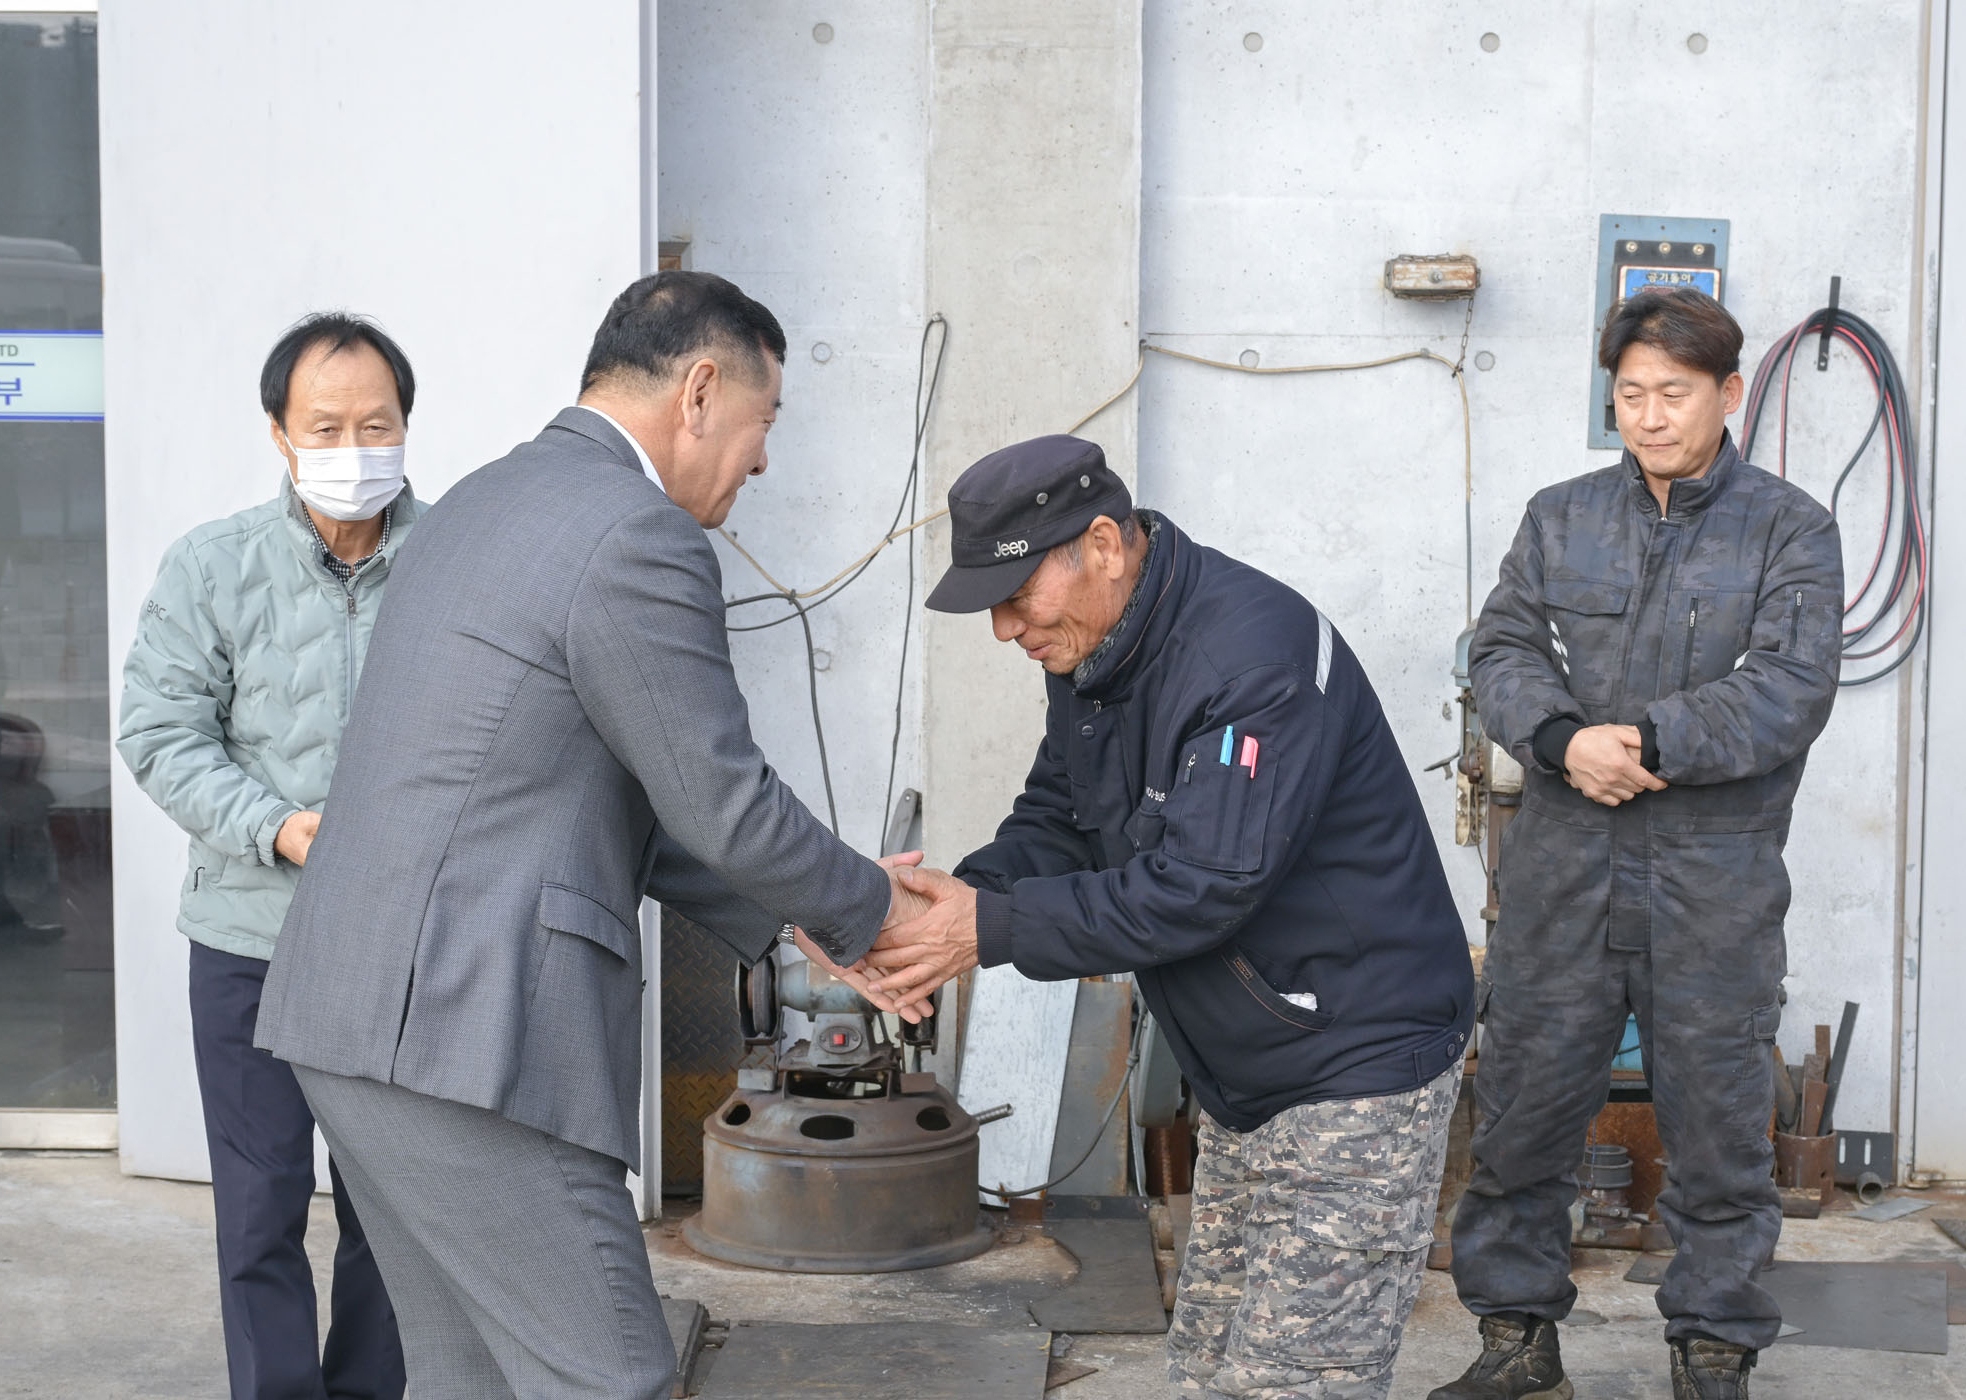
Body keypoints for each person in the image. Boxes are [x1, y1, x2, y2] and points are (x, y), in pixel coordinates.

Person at [253, 270, 931, 1400]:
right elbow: (720, 799)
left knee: (467, 1378)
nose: (763, 460)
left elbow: (589, 788)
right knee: (611, 1376)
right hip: (472, 1035)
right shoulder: (637, 535)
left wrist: (800, 918)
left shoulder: (481, 501)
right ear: (700, 391)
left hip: (354, 1018)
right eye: (765, 420)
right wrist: (879, 913)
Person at [862, 435, 1475, 1400]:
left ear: (1104, 546)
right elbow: (1061, 818)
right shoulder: (1098, 651)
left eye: (1016, 597)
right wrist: (948, 902)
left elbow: (1202, 887)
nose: (1006, 630)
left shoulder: (1251, 664)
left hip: (1354, 1071)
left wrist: (988, 928)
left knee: (1293, 1385)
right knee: (1208, 1374)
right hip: (1252, 1073)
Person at [1432, 288, 1843, 1400]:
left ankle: (1713, 1346)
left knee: (1717, 1129)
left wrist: (1650, 741)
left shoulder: (1790, 529)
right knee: (1523, 1111)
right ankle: (1517, 1342)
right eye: (1630, 394)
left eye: (1674, 392)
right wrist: (1562, 740)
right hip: (1564, 869)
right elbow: (1503, 647)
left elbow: (1789, 687)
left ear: (1728, 393)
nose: (1651, 416)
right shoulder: (1559, 518)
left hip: (1714, 879)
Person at [118, 312, 421, 1400]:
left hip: (404, 947)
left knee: (394, 1216)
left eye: (375, 425)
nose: (353, 449)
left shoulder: (456, 566)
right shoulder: (213, 567)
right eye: (325, 427)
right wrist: (276, 825)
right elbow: (160, 733)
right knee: (259, 1209)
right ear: (280, 434)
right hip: (250, 939)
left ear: (407, 427)